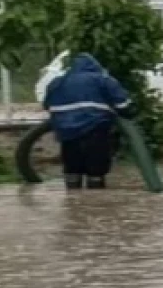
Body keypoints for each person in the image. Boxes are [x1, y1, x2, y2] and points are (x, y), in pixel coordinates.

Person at [41, 53, 133, 190]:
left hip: (66, 133)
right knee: (96, 169)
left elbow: (46, 105)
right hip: (96, 129)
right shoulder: (102, 79)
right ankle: (94, 199)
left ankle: (74, 200)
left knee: (72, 169)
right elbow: (124, 105)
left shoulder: (57, 82)